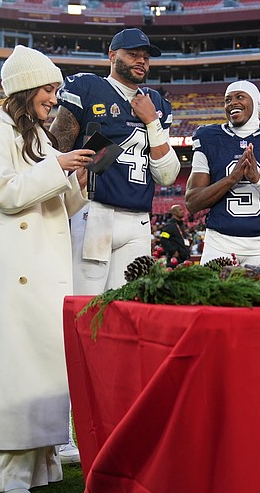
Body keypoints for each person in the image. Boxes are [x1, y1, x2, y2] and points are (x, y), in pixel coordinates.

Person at [0, 45, 93, 493]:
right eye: (49, 88)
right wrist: (58, 165)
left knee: (45, 370)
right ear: (25, 88)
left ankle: (41, 465)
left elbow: (57, 207)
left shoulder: (37, 135)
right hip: (16, 270)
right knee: (16, 369)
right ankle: (6, 472)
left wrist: (77, 182)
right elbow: (7, 194)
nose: (54, 98)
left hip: (45, 269)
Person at [51, 28, 180, 294]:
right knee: (86, 303)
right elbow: (55, 152)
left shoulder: (155, 103)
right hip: (93, 212)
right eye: (133, 54)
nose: (141, 61)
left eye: (145, 56)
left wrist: (152, 121)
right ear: (112, 55)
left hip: (139, 220)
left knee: (129, 306)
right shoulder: (88, 88)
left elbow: (167, 176)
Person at [185, 80, 260, 265]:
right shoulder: (208, 137)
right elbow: (192, 202)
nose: (232, 103)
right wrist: (231, 179)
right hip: (218, 242)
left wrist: (257, 179)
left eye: (239, 97)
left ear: (256, 102)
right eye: (227, 100)